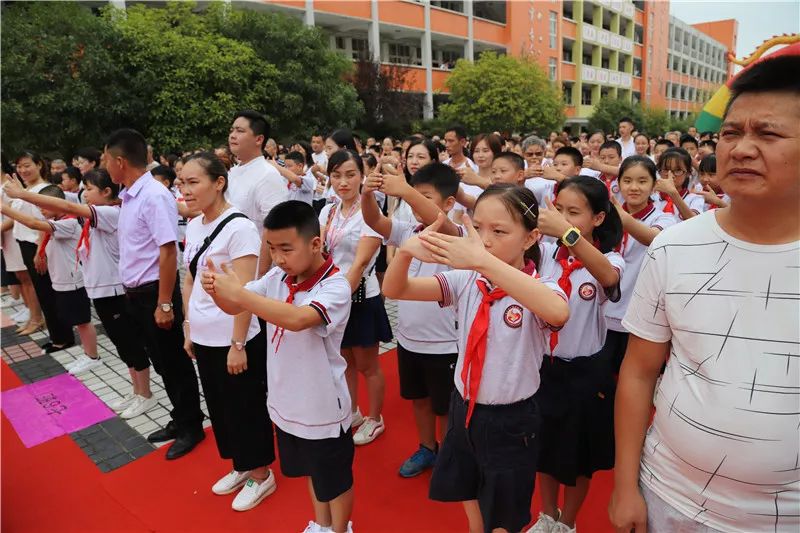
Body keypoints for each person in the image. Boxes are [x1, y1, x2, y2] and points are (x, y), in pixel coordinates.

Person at [609, 52, 800, 533]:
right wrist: (624, 485)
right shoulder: (674, 247)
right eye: (732, 133)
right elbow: (638, 372)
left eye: (768, 133)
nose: (741, 149)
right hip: (669, 497)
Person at [383, 184, 570, 533]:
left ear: (530, 238)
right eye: (478, 227)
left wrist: (483, 261)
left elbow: (558, 312)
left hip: (510, 419)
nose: (484, 240)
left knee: (503, 516)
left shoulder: (540, 286)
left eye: (498, 231)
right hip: (464, 406)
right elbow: (396, 290)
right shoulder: (468, 279)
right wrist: (406, 253)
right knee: (469, 493)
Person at [202, 200, 356, 533]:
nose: (278, 258)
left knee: (335, 480)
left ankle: (341, 528)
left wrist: (240, 295)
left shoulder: (336, 286)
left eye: (286, 249)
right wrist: (216, 290)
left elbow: (299, 319)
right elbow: (234, 304)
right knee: (311, 473)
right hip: (286, 402)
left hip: (323, 409)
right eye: (271, 248)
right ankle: (321, 524)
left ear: (315, 243)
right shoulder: (277, 276)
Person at [3, 169, 155, 415]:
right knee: (122, 345)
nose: (85, 194)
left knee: (130, 343)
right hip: (101, 291)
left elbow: (58, 209)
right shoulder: (95, 215)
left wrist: (18, 196)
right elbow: (56, 206)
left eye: (90, 189)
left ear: (107, 192)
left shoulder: (111, 213)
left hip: (114, 291)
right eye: (84, 189)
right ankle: (137, 391)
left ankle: (146, 393)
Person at [179, 152, 276, 511]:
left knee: (245, 407)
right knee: (220, 408)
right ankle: (241, 464)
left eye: (193, 182)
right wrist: (189, 327)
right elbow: (189, 278)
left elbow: (245, 291)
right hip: (204, 335)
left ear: (218, 183)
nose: (185, 190)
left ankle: (262, 473)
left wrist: (238, 343)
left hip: (235, 338)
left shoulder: (240, 227)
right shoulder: (194, 225)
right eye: (182, 182)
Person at [528, 176, 624, 533]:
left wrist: (568, 233)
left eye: (574, 213)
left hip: (585, 374)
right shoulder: (544, 253)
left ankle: (568, 522)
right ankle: (547, 514)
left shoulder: (608, 258)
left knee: (578, 457)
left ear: (597, 218)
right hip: (544, 368)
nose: (563, 218)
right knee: (545, 450)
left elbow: (609, 278)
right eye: (559, 209)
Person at [104, 128, 205, 460]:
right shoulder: (130, 195)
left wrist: (164, 302)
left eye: (106, 160)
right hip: (137, 293)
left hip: (154, 294)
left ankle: (192, 425)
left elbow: (167, 251)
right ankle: (180, 417)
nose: (105, 166)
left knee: (174, 361)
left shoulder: (153, 195)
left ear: (120, 161)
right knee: (162, 362)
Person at [362, 162, 462, 478]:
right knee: (418, 400)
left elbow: (439, 222)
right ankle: (426, 447)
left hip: (445, 344)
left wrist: (404, 189)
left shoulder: (456, 236)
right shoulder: (409, 231)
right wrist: (367, 192)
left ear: (448, 203)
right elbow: (375, 220)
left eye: (426, 197)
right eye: (414, 196)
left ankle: (449, 455)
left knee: (444, 408)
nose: (416, 202)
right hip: (409, 339)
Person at [319, 150, 392, 446]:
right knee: (344, 361)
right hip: (337, 295)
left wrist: (334, 300)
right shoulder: (328, 211)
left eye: (350, 174)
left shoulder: (370, 213)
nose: (343, 182)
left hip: (361, 296)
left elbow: (361, 262)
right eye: (336, 175)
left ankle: (375, 418)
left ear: (363, 175)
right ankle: (351, 411)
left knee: (368, 365)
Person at [0, 185, 100, 375]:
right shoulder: (57, 220)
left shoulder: (68, 223)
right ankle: (88, 354)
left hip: (73, 282)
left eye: (43, 205)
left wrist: (4, 208)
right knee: (77, 321)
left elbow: (34, 224)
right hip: (62, 281)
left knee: (83, 322)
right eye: (39, 205)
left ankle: (93, 357)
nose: (41, 209)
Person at [603, 156, 674, 374]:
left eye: (642, 181)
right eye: (627, 181)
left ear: (654, 185)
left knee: (631, 378)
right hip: (602, 314)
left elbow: (653, 238)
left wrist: (623, 219)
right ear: (619, 184)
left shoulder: (664, 219)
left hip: (637, 317)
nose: (634, 187)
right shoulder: (604, 217)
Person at [12, 151, 71, 344]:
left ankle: (62, 338)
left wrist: (40, 251)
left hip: (37, 246)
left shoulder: (45, 189)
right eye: (19, 166)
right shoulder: (24, 189)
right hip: (25, 244)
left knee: (48, 293)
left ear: (39, 165)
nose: (23, 170)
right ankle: (56, 336)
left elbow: (44, 223)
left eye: (27, 165)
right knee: (43, 293)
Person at [226, 111, 288, 274]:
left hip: (253, 272)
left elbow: (274, 228)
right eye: (232, 130)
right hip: (228, 267)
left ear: (259, 139)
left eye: (240, 131)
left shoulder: (268, 175)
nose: (233, 135)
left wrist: (260, 275)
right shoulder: (232, 173)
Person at [654, 147, 704, 223]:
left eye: (678, 170)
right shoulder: (652, 198)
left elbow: (695, 221)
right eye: (666, 170)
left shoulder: (695, 198)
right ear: (659, 171)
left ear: (688, 173)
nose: (671, 175)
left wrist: (673, 193)